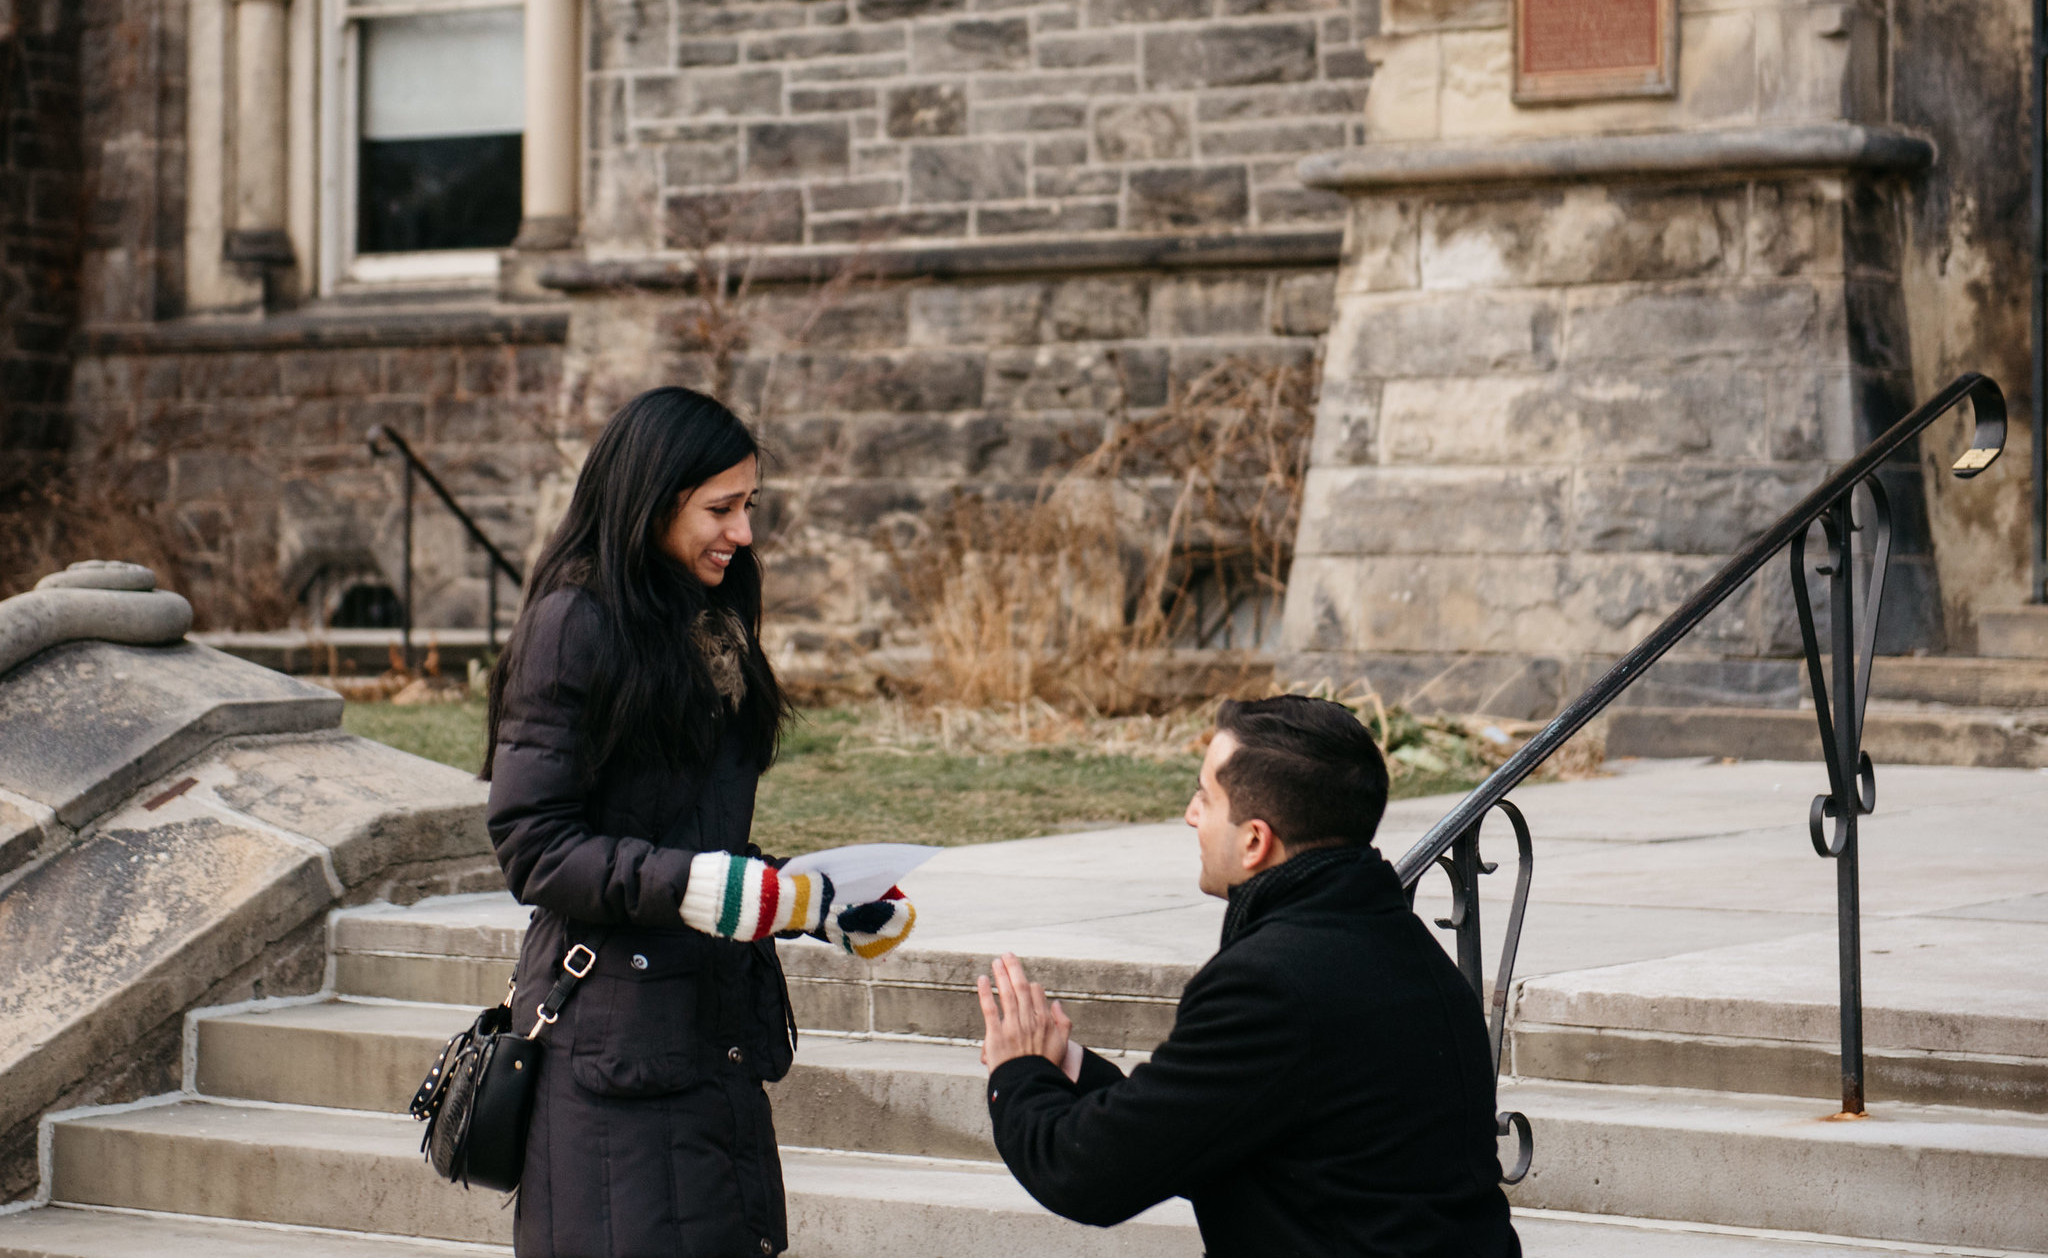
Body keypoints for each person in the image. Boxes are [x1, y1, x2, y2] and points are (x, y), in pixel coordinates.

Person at [483, 386, 914, 1258]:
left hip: (708, 1045)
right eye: (721, 507)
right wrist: (702, 887)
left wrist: (816, 899)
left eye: (748, 505)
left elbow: (699, 843)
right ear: (652, 497)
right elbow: (534, 844)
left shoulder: (710, 622)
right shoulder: (575, 621)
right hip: (612, 1055)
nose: (743, 532)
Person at [976, 694, 1521, 1258]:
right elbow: (1230, 1130)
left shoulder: (1270, 986)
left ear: (1255, 840)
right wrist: (1070, 1069)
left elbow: (1086, 1175)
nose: (1190, 814)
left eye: (1205, 798)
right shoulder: (1406, 951)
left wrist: (1016, 1074)